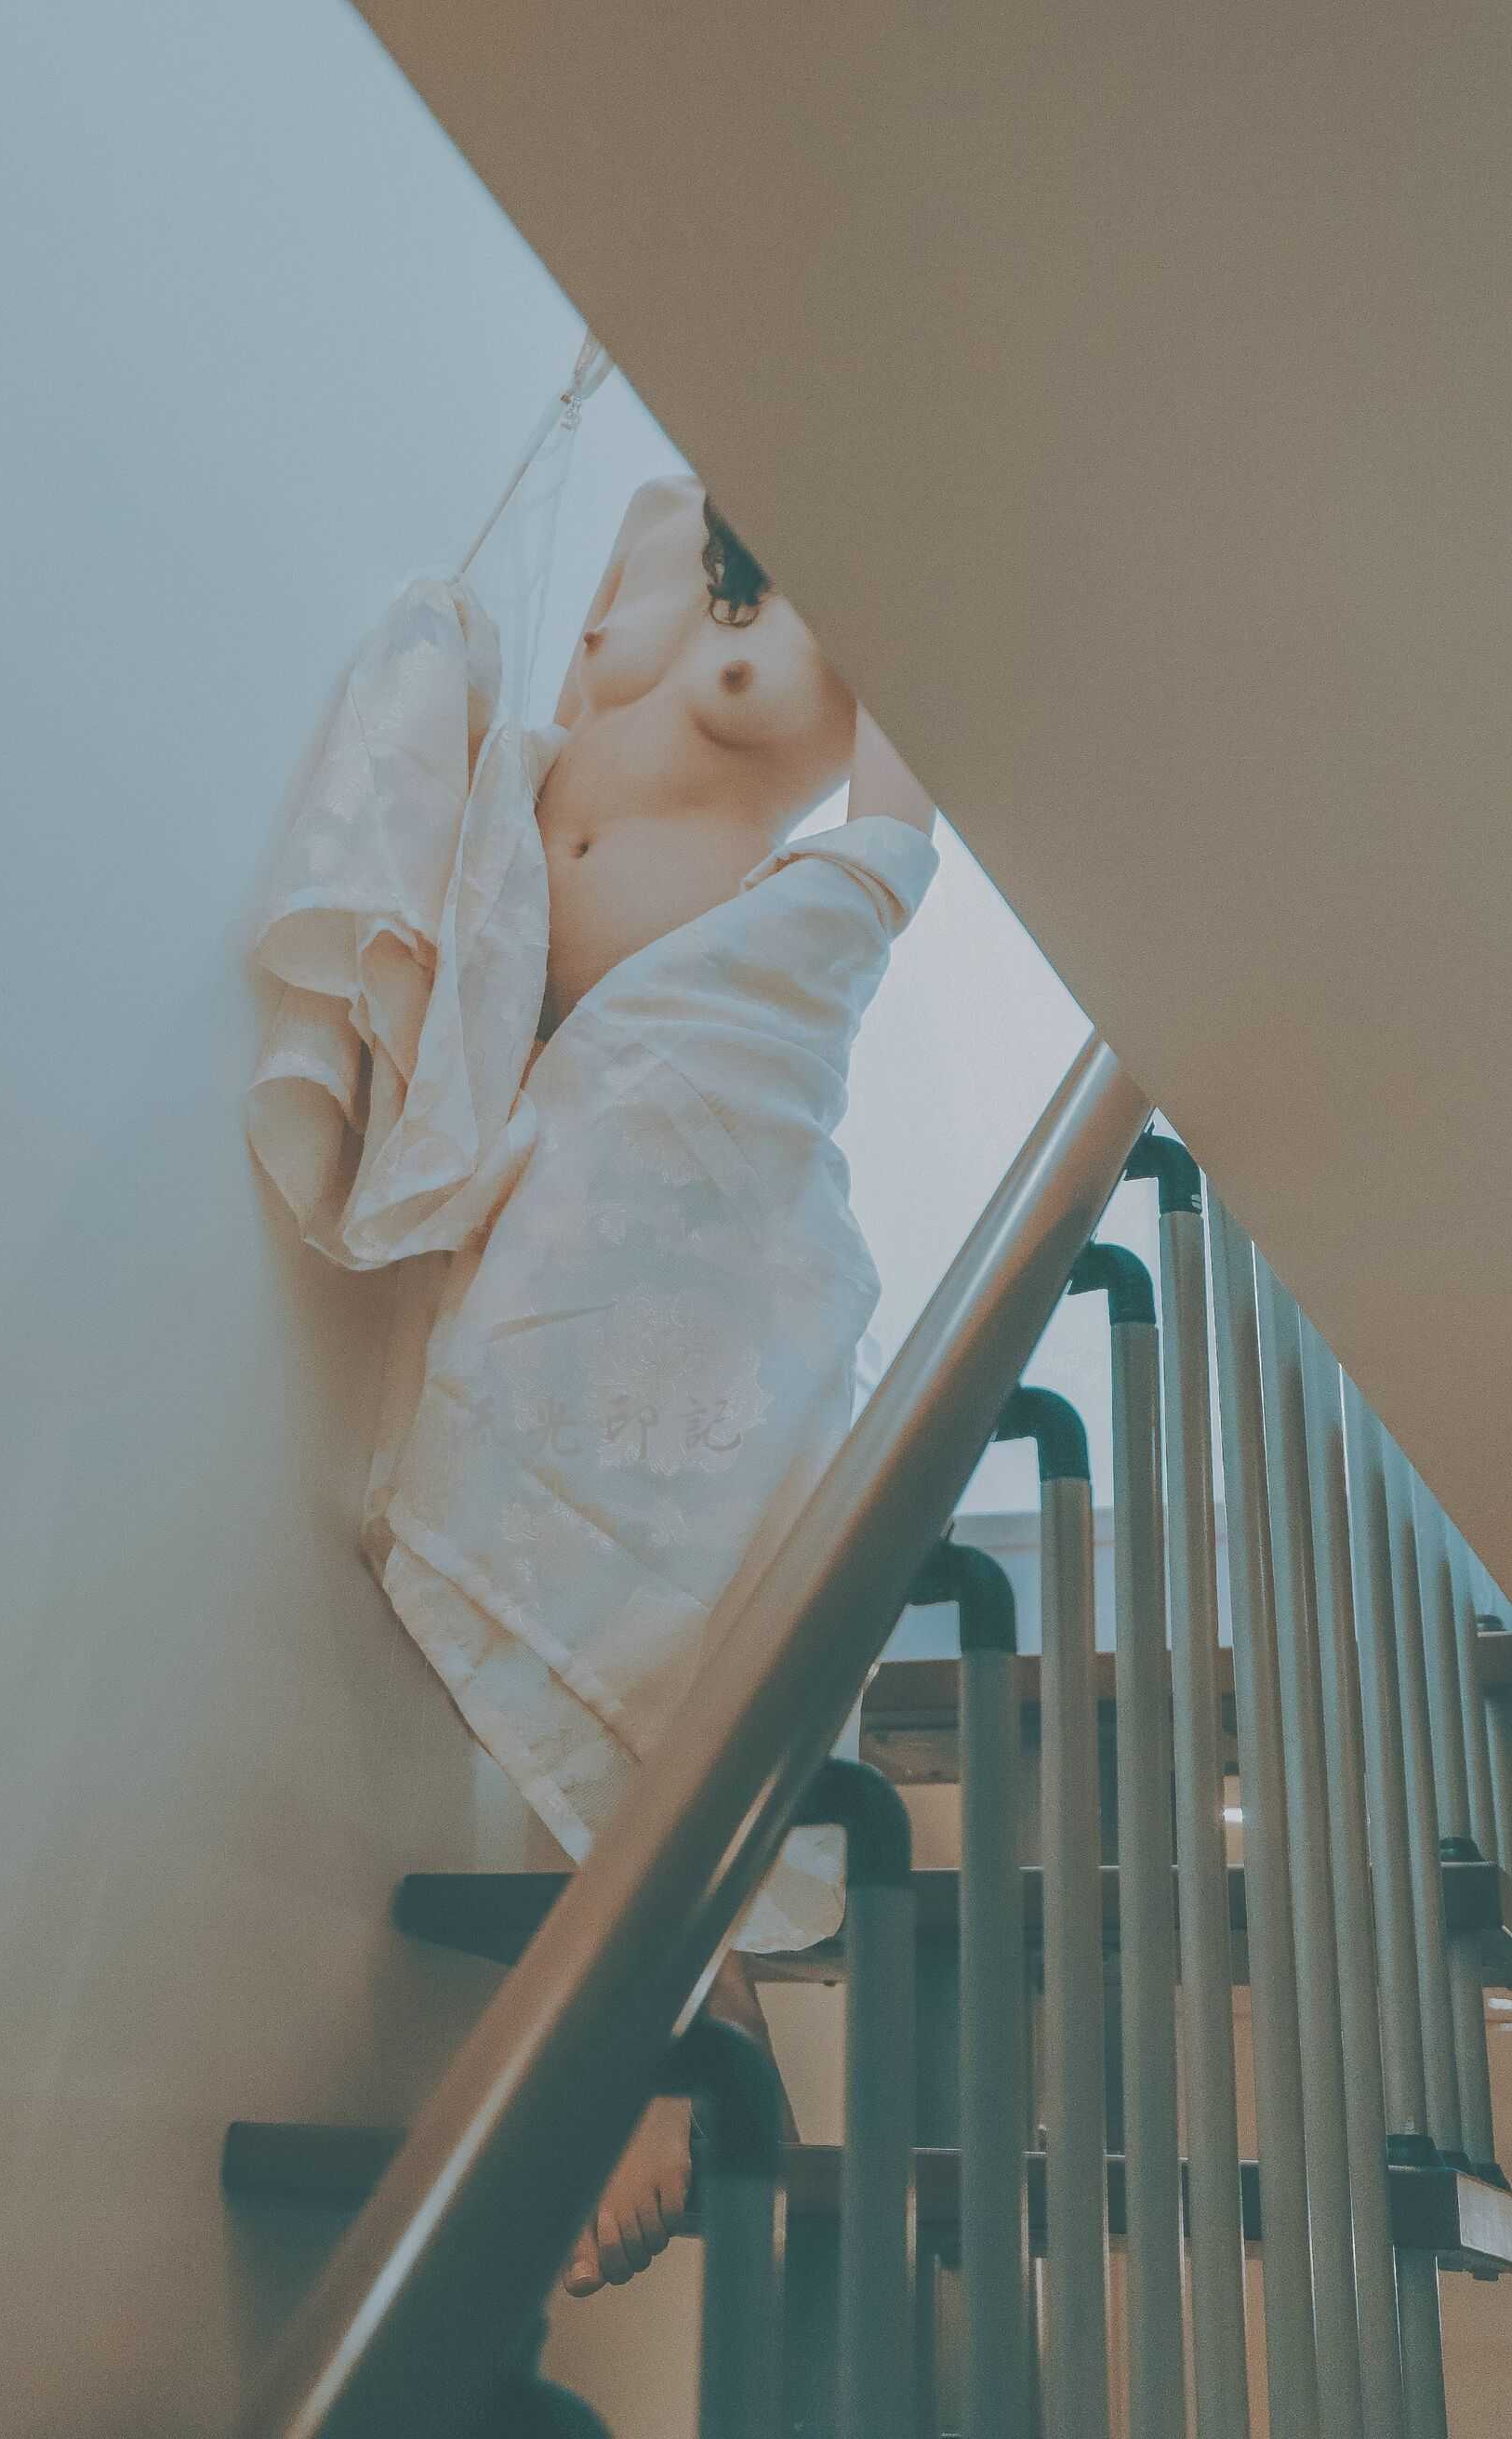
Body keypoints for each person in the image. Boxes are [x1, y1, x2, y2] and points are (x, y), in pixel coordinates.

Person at [527, 474, 937, 2298]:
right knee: (564, 1558)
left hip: (695, 1113)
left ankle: (675, 2038)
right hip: (553, 1096)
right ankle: (694, 2015)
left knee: (665, 1575)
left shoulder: (883, 539)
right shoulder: (651, 509)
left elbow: (900, 828)